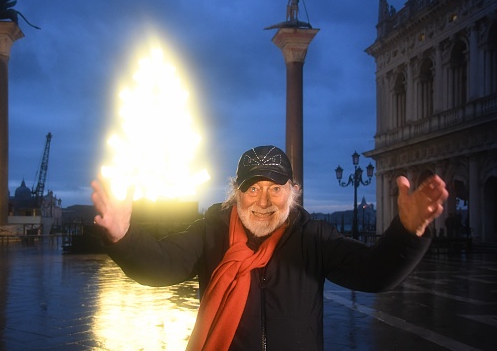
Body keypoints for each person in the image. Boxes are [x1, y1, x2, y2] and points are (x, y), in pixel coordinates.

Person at [91, 145, 448, 350]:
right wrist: (123, 236)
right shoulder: (211, 232)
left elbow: (374, 274)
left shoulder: (313, 236)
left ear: (293, 192)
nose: (264, 200)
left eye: (275, 188)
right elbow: (162, 265)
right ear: (237, 193)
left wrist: (407, 231)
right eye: (253, 188)